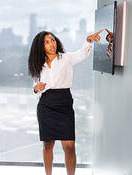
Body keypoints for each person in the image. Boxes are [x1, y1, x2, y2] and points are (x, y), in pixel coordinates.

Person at [28, 30, 102, 175]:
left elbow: (81, 53)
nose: (51, 44)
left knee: (69, 145)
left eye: (53, 40)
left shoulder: (66, 58)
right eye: (47, 42)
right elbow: (35, 86)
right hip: (46, 104)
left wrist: (88, 41)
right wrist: (36, 88)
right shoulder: (38, 64)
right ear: (40, 46)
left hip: (64, 103)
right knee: (48, 144)